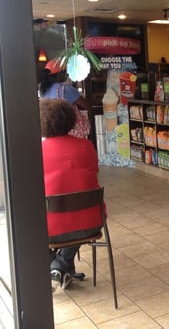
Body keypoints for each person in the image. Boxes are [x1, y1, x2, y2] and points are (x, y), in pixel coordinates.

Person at [40, 99, 101, 291]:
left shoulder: (38, 151)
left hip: (51, 228)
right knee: (77, 215)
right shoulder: (86, 146)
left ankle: (56, 265)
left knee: (29, 227)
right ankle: (62, 267)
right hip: (90, 223)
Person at [39, 59, 92, 138]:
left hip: (52, 132)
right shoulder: (66, 89)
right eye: (64, 72)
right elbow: (87, 106)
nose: (66, 74)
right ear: (58, 74)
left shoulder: (43, 91)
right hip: (69, 131)